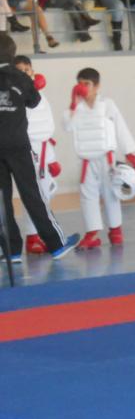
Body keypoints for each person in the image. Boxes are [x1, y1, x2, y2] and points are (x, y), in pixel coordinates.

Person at [0, 34, 79, 261]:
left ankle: (11, 251)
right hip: (18, 145)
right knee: (32, 194)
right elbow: (34, 102)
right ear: (12, 54)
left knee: (1, 201)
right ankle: (56, 244)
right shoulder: (20, 77)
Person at [65, 67, 135, 250]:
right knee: (88, 196)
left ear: (97, 86)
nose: (82, 87)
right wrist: (73, 103)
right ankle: (92, 234)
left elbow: (120, 127)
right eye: (79, 84)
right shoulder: (77, 108)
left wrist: (130, 154)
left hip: (106, 159)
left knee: (111, 193)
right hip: (86, 161)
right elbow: (67, 127)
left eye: (87, 84)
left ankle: (115, 230)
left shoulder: (107, 104)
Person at [12, 55, 59, 255]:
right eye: (20, 71)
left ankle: (39, 235)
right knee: (34, 194)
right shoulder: (15, 96)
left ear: (33, 71)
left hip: (44, 149)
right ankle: (32, 237)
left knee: (48, 191)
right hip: (28, 149)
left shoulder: (41, 95)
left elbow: (47, 126)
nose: (25, 74)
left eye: (27, 70)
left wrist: (52, 159)